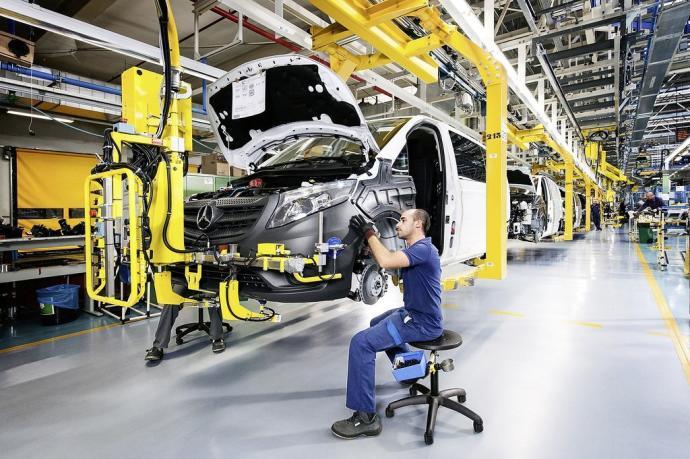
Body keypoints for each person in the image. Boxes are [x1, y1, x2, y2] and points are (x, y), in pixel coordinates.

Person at [331, 209, 443, 439]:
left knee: (361, 343)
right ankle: (411, 372)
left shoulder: (423, 249)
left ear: (418, 224)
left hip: (421, 322)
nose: (398, 225)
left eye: (403, 220)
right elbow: (389, 264)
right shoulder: (414, 251)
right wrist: (368, 246)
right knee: (376, 322)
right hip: (414, 314)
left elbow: (386, 259)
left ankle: (365, 418)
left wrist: (369, 232)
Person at [144, 305, 225, 361]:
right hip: (184, 282)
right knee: (170, 300)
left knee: (213, 299)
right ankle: (158, 345)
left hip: (208, 282)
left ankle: (217, 337)